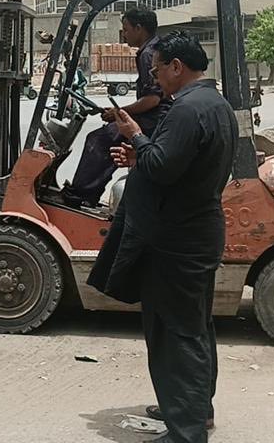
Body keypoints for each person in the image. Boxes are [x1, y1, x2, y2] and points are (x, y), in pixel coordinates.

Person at [92, 32, 238, 443]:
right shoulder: (215, 105)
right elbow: (177, 164)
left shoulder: (187, 110)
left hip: (176, 239)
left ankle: (186, 431)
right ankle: (194, 409)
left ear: (177, 67)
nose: (155, 78)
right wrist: (143, 153)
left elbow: (160, 164)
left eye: (157, 70)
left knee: (175, 334)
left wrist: (137, 136)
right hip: (195, 231)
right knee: (194, 327)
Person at [62, 7, 171, 207]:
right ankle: (87, 192)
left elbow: (153, 100)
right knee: (105, 136)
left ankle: (83, 194)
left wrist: (119, 113)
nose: (124, 34)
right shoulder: (152, 49)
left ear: (139, 28)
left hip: (155, 117)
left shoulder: (149, 53)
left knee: (100, 139)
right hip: (155, 115)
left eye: (126, 29)